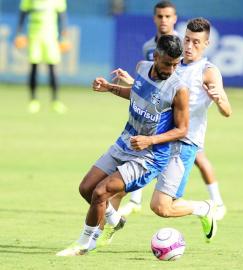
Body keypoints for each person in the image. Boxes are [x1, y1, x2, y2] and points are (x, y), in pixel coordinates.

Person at [56, 35, 193, 256]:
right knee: (87, 188)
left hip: (149, 156)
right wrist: (110, 87)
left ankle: (85, 242)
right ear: (156, 57)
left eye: (176, 64)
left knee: (101, 192)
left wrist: (150, 140)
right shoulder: (141, 68)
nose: (172, 69)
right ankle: (115, 219)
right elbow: (137, 93)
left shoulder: (179, 89)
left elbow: (182, 129)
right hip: (125, 142)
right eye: (168, 63)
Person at [106, 17, 231, 247]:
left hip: (183, 142)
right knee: (116, 185)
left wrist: (219, 100)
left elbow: (227, 111)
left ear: (206, 44)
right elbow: (156, 95)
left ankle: (203, 208)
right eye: (187, 40)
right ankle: (105, 232)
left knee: (161, 207)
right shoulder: (172, 61)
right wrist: (133, 82)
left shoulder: (208, 72)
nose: (189, 46)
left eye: (195, 42)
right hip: (154, 137)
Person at [14, 0, 70, 114]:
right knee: (34, 68)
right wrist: (19, 33)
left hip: (51, 38)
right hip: (34, 37)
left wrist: (64, 36)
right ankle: (33, 100)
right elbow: (23, 13)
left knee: (52, 69)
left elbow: (62, 17)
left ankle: (55, 101)